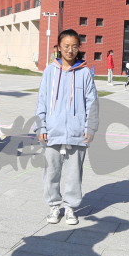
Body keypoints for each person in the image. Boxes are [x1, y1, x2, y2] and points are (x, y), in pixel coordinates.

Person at [37, 29, 99, 225]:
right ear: (58, 47)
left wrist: (90, 127)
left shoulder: (84, 73)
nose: (70, 50)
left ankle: (71, 207)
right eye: (66, 46)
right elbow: (42, 100)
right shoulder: (49, 71)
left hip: (77, 133)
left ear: (79, 48)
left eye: (74, 46)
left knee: (74, 174)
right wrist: (41, 127)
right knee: (51, 172)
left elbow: (92, 102)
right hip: (52, 132)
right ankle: (54, 206)